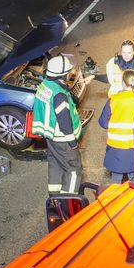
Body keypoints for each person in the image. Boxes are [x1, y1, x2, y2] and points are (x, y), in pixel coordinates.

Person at [31, 55, 83, 197]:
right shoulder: (59, 95)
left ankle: (54, 198)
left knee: (55, 165)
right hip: (63, 139)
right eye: (68, 72)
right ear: (62, 75)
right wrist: (72, 143)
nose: (70, 75)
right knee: (73, 170)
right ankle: (69, 204)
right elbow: (65, 122)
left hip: (51, 137)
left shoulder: (46, 85)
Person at [98, 70, 134, 183]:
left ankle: (115, 199)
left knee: (116, 178)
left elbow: (103, 122)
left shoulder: (114, 100)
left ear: (123, 83)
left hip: (117, 147)